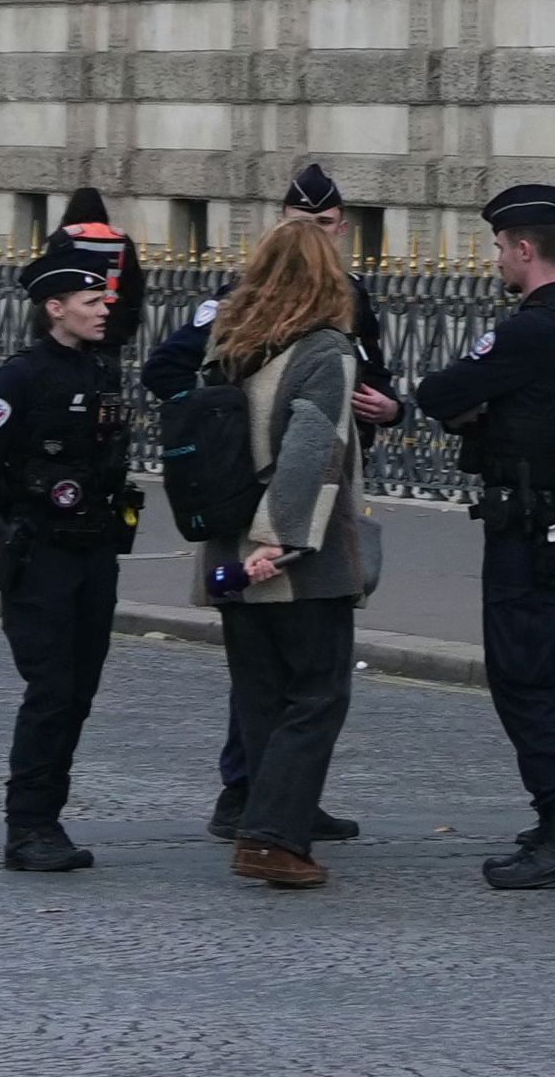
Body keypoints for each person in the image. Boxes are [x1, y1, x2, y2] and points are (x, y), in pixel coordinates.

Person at [403, 181, 555, 888]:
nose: (496, 259)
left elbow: (439, 393)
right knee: (554, 675)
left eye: (500, 247)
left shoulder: (528, 330)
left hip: (528, 529)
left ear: (526, 249)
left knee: (522, 675)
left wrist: (483, 415)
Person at [204, 203, 382, 888]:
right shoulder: (325, 351)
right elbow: (314, 452)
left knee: (260, 697)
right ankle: (273, 836)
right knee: (316, 694)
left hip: (225, 549)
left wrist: (237, 549)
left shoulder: (225, 344)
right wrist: (278, 544)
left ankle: (262, 816)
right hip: (294, 560)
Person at [0, 214, 145, 873]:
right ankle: (29, 826)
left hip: (95, 551)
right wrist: (26, 513)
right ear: (55, 307)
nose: (106, 309)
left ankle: (49, 817)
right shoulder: (20, 378)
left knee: (79, 691)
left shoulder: (103, 372)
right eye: (93, 301)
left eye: (107, 300)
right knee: (50, 689)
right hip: (41, 554)